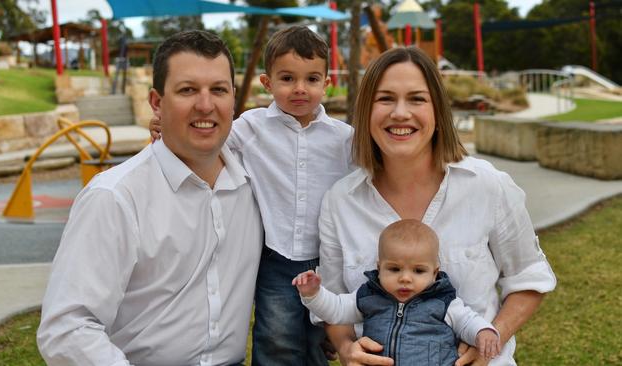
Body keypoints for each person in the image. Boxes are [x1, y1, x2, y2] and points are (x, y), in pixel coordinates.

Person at [317, 46, 557, 366]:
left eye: (417, 99)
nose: (400, 113)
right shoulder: (339, 202)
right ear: (366, 111)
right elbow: (333, 305)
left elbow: (530, 279)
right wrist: (346, 348)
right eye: (385, 98)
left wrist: (490, 341)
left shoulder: (488, 185)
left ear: (438, 110)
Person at [37, 30, 263, 365]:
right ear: (157, 102)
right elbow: (67, 328)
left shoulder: (256, 182)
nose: (205, 104)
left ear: (234, 98)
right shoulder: (115, 198)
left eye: (218, 90)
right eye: (187, 90)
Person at [151, 25, 354, 365]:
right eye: (287, 78)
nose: (300, 89)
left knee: (320, 340)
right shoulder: (250, 127)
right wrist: (169, 128)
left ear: (327, 82)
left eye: (312, 79)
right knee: (277, 335)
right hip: (276, 256)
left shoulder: (343, 138)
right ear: (267, 82)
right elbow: (208, 145)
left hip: (328, 258)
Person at [293, 219, 501, 365]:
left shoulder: (443, 301)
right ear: (379, 267)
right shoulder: (369, 296)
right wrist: (314, 294)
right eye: (394, 269)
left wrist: (484, 332)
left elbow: (467, 321)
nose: (405, 278)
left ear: (435, 272)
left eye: (419, 271)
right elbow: (336, 310)